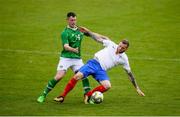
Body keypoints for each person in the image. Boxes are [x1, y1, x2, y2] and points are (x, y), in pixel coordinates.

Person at [53, 29, 145, 104]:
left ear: (126, 49)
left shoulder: (124, 59)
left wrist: (137, 88)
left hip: (101, 71)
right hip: (93, 63)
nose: (120, 48)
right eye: (120, 46)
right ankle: (62, 96)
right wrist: (88, 32)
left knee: (107, 86)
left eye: (122, 48)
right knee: (77, 76)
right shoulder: (111, 44)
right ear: (119, 43)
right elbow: (98, 39)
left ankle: (88, 95)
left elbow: (129, 74)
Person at [37, 12, 95, 103]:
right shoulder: (65, 33)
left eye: (75, 20)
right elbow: (65, 46)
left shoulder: (80, 30)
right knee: (59, 76)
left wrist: (90, 32)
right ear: (67, 20)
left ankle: (88, 96)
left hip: (77, 59)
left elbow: (92, 35)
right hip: (66, 58)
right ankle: (43, 95)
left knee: (84, 76)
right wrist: (73, 50)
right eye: (71, 20)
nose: (73, 22)